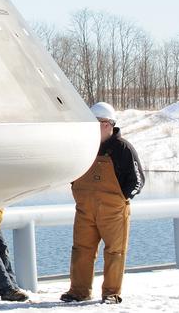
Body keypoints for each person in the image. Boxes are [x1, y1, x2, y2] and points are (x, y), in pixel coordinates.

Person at [61, 101, 145, 304]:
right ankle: (78, 292)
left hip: (113, 211)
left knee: (115, 252)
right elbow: (72, 172)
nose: (91, 127)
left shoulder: (123, 149)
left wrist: (121, 198)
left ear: (107, 124)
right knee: (81, 249)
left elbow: (138, 180)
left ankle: (111, 293)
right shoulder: (84, 147)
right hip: (84, 210)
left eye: (95, 123)